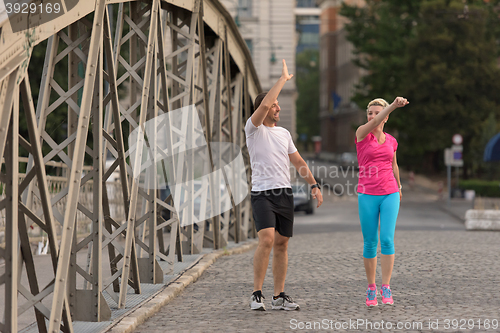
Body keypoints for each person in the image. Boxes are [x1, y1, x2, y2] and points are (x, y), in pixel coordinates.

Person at [245, 59, 323, 311]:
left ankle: (279, 296)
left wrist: (314, 184)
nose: (277, 107)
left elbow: (298, 161)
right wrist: (283, 79)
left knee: (282, 243)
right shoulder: (253, 129)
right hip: (262, 193)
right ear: (262, 109)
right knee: (266, 239)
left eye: (278, 105)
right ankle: (257, 293)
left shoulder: (284, 134)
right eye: (274, 105)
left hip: (284, 193)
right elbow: (266, 101)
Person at [355, 97, 409, 306]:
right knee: (370, 242)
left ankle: (386, 286)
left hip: (390, 193)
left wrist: (399, 185)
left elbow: (393, 164)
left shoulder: (391, 141)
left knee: (387, 239)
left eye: (378, 113)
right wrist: (393, 106)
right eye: (370, 113)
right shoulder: (361, 134)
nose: (373, 116)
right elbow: (372, 125)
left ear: (385, 118)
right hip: (367, 194)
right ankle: (371, 288)